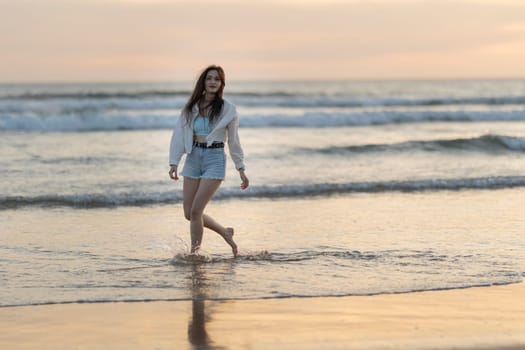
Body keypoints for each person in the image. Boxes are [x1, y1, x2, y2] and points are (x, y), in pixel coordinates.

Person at [169, 65, 249, 257]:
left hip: (214, 158)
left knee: (197, 211)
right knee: (189, 213)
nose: (213, 82)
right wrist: (174, 162)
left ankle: (194, 255)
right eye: (209, 78)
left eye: (217, 79)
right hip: (193, 157)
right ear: (203, 82)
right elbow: (179, 134)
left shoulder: (228, 109)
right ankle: (225, 231)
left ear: (221, 84)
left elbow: (234, 140)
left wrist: (240, 168)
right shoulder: (191, 107)